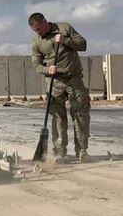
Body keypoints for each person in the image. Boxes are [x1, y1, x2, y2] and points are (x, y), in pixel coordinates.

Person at [28, 12, 90, 162]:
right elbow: (36, 65)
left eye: (39, 29)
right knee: (57, 118)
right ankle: (59, 152)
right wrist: (47, 70)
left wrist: (65, 41)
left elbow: (83, 45)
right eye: (35, 30)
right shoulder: (37, 42)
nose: (38, 32)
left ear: (45, 21)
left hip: (74, 79)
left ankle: (82, 151)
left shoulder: (64, 28)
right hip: (55, 82)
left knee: (80, 116)